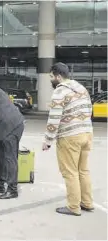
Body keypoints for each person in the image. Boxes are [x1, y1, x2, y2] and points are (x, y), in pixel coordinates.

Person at [42, 62, 94, 216]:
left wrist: (48, 140)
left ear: (58, 76)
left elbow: (54, 118)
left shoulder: (60, 91)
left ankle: (73, 207)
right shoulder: (81, 88)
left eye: (51, 77)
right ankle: (87, 202)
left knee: (70, 172)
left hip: (70, 136)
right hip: (86, 133)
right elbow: (89, 110)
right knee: (83, 170)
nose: (51, 80)